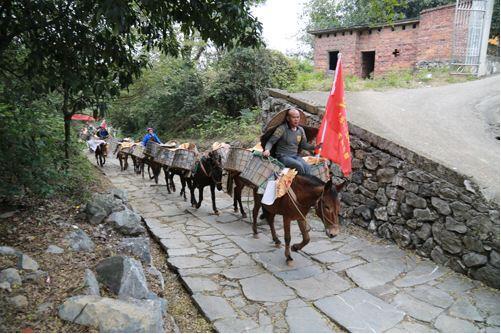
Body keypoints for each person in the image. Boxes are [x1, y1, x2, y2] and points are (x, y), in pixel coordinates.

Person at [262, 108, 315, 175]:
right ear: (288, 118)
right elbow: (271, 142)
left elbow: (304, 145)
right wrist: (267, 150)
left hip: (295, 156)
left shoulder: (301, 130)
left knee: (307, 167)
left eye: (298, 117)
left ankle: (306, 184)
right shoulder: (282, 129)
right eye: (293, 117)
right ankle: (299, 183)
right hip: (283, 157)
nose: (296, 119)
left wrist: (315, 147)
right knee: (299, 166)